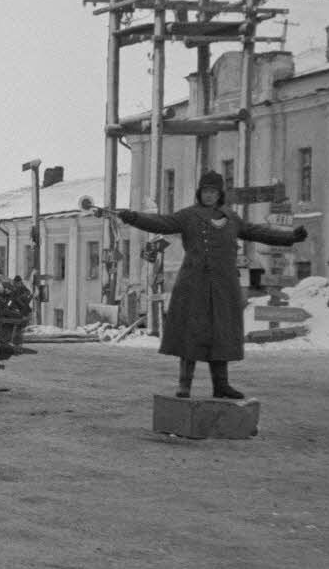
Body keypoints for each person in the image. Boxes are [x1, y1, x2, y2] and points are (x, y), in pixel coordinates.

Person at [116, 171, 308, 399]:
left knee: (221, 333)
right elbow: (161, 222)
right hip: (193, 284)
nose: (209, 195)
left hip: (223, 285)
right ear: (200, 193)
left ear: (220, 195)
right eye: (206, 191)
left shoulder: (232, 218)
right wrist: (133, 217)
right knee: (191, 332)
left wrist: (290, 237)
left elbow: (257, 232)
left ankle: (221, 386)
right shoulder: (188, 216)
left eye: (213, 192)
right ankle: (185, 384)